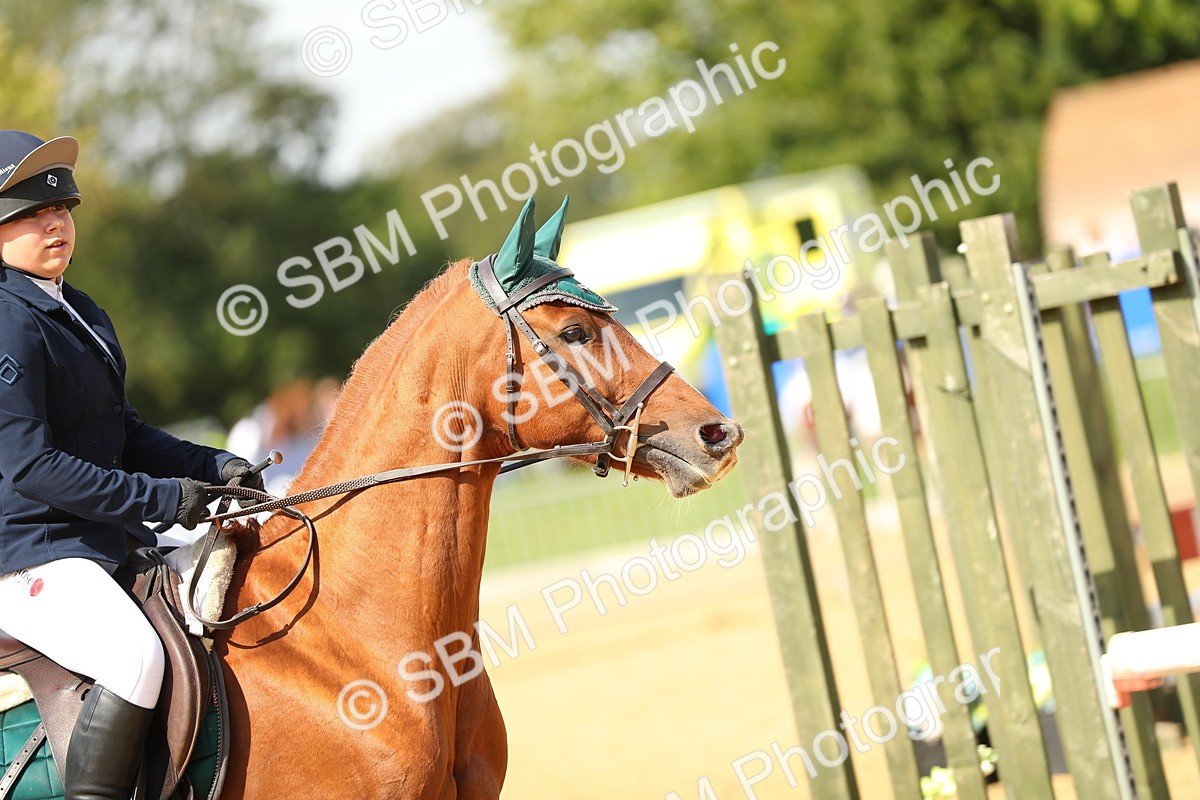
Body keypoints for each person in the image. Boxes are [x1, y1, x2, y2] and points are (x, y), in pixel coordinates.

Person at [0, 130, 263, 800]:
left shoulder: (74, 307)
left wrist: (212, 466)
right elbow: (30, 467)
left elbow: (124, 432)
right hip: (31, 552)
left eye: (60, 209)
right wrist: (162, 500)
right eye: (30, 214)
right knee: (134, 656)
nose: (55, 221)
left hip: (95, 541)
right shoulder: (7, 320)